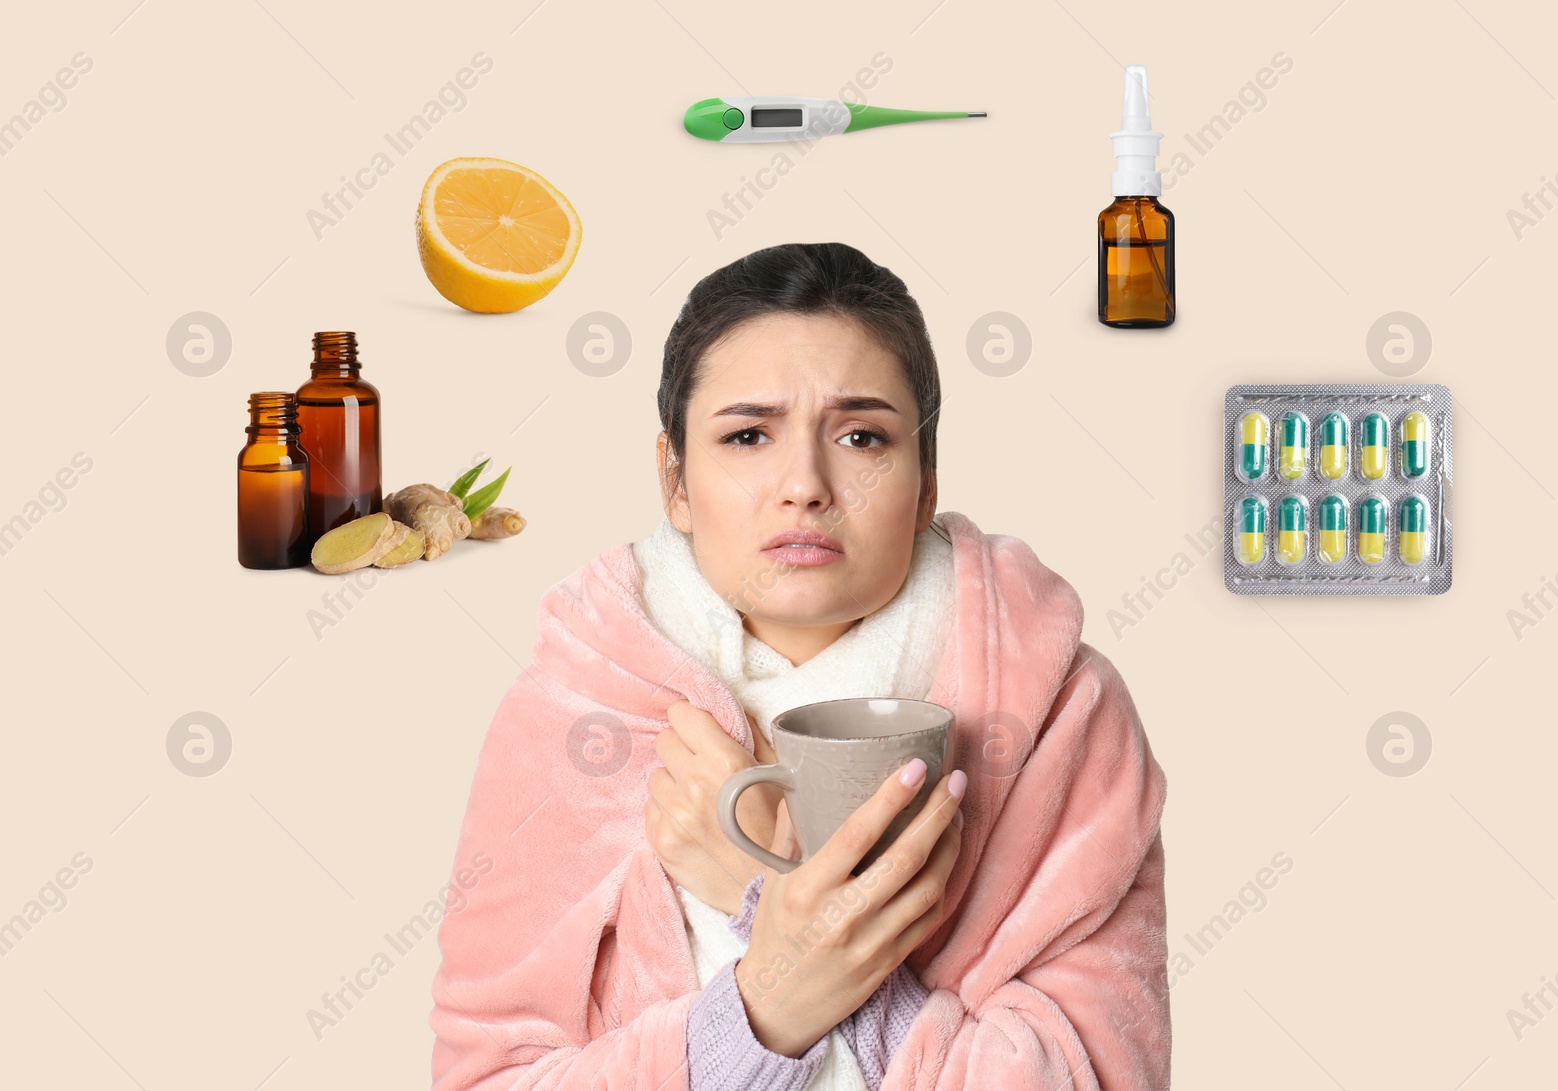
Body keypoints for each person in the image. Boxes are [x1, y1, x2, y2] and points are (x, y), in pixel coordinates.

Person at [429, 241, 1172, 1090]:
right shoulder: (571, 715)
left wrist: (766, 902)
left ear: (927, 481)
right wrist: (756, 1012)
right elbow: (485, 1078)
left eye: (862, 435)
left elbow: (1104, 1078)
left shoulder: (1060, 714)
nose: (806, 485)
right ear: (674, 479)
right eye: (748, 435)